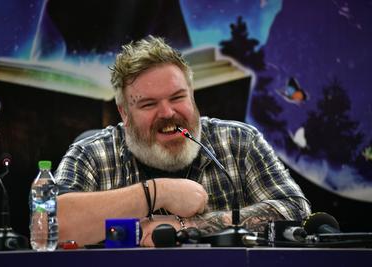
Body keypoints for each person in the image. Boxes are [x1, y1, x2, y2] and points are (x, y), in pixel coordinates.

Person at [54, 36, 311, 247]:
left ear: (192, 96)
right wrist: (157, 192)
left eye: (177, 97)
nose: (167, 113)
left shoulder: (240, 142)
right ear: (125, 114)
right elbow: (48, 228)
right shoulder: (92, 155)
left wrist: (189, 226)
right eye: (149, 104)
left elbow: (297, 212)